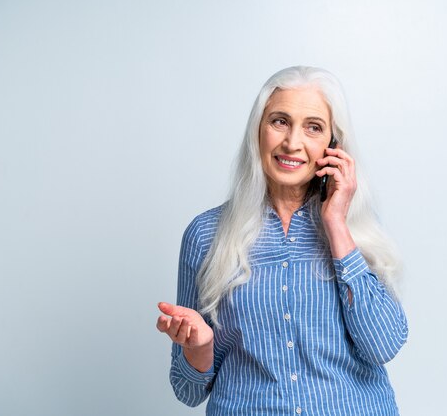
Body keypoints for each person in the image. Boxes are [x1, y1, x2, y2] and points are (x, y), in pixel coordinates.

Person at [156, 66, 408, 415]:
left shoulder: (357, 228)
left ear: (333, 146)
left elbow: (383, 345)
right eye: (279, 121)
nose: (292, 142)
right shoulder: (206, 235)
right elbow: (187, 390)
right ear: (258, 131)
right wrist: (201, 347)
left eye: (313, 128)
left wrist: (335, 222)